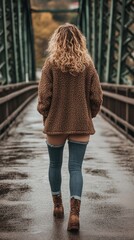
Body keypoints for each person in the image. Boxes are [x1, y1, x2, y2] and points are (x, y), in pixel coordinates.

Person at [37, 23, 103, 231]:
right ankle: (75, 216)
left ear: (57, 41)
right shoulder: (87, 64)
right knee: (76, 168)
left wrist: (46, 114)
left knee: (54, 166)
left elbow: (44, 97)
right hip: (81, 124)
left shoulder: (50, 64)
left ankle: (58, 206)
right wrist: (88, 114)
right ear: (79, 40)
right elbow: (97, 97)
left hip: (55, 123)